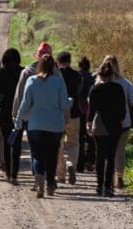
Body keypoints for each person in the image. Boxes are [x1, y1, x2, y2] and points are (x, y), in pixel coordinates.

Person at [17, 54, 71, 198]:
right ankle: (50, 183)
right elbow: (65, 104)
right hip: (55, 125)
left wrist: (18, 121)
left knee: (37, 155)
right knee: (52, 155)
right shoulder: (59, 82)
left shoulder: (31, 81)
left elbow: (24, 103)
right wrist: (69, 104)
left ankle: (39, 180)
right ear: (54, 67)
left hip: (35, 125)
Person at [102, 55, 133, 189]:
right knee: (120, 151)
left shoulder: (100, 82)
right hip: (123, 122)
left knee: (106, 151)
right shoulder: (125, 83)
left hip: (103, 123)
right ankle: (119, 178)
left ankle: (107, 178)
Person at [87, 61, 127, 197]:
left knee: (100, 156)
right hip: (114, 126)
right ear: (112, 75)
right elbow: (123, 110)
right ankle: (108, 187)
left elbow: (91, 111)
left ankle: (99, 186)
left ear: (99, 75)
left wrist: (88, 124)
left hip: (99, 125)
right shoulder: (118, 88)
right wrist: (121, 121)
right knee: (111, 156)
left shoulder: (95, 89)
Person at [0, 48, 25, 185]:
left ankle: (7, 172)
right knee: (17, 143)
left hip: (4, 111)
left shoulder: (0, 72)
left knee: (7, 141)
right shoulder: (22, 72)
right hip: (18, 111)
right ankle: (14, 174)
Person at [55, 52, 82, 184]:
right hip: (74, 113)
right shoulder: (77, 75)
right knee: (73, 143)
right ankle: (71, 163)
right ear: (70, 61)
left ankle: (61, 174)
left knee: (58, 144)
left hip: (58, 114)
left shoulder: (55, 75)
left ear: (58, 61)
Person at [76, 57, 97, 173]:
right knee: (91, 138)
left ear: (79, 65)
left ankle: (79, 164)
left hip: (78, 111)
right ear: (88, 66)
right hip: (90, 111)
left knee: (79, 138)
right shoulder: (93, 78)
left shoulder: (77, 76)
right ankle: (90, 161)